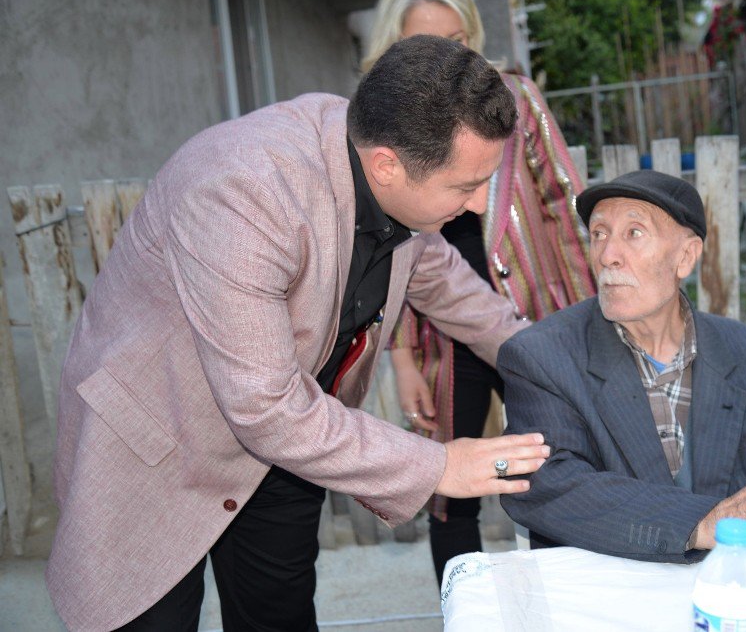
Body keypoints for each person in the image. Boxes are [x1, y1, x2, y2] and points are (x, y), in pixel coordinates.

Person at [46, 35, 551, 632]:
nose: (474, 208)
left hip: (291, 450)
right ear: (387, 165)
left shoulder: (386, 161)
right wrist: (439, 466)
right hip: (158, 446)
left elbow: (452, 290)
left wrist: (554, 367)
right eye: (465, 187)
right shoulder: (244, 191)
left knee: (279, 618)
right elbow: (265, 408)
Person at [362, 0, 597, 582]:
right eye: (427, 46)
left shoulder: (513, 100)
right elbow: (393, 257)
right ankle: (462, 608)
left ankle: (564, 602)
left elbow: (563, 206)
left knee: (555, 473)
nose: (448, 60)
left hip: (534, 322)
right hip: (446, 338)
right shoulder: (385, 132)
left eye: (458, 42)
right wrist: (405, 359)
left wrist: (588, 317)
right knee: (451, 492)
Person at [499, 170, 746, 562]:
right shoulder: (542, 357)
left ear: (686, 257)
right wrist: (703, 521)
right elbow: (548, 486)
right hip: (609, 590)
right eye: (599, 234)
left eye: (634, 232)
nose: (608, 255)